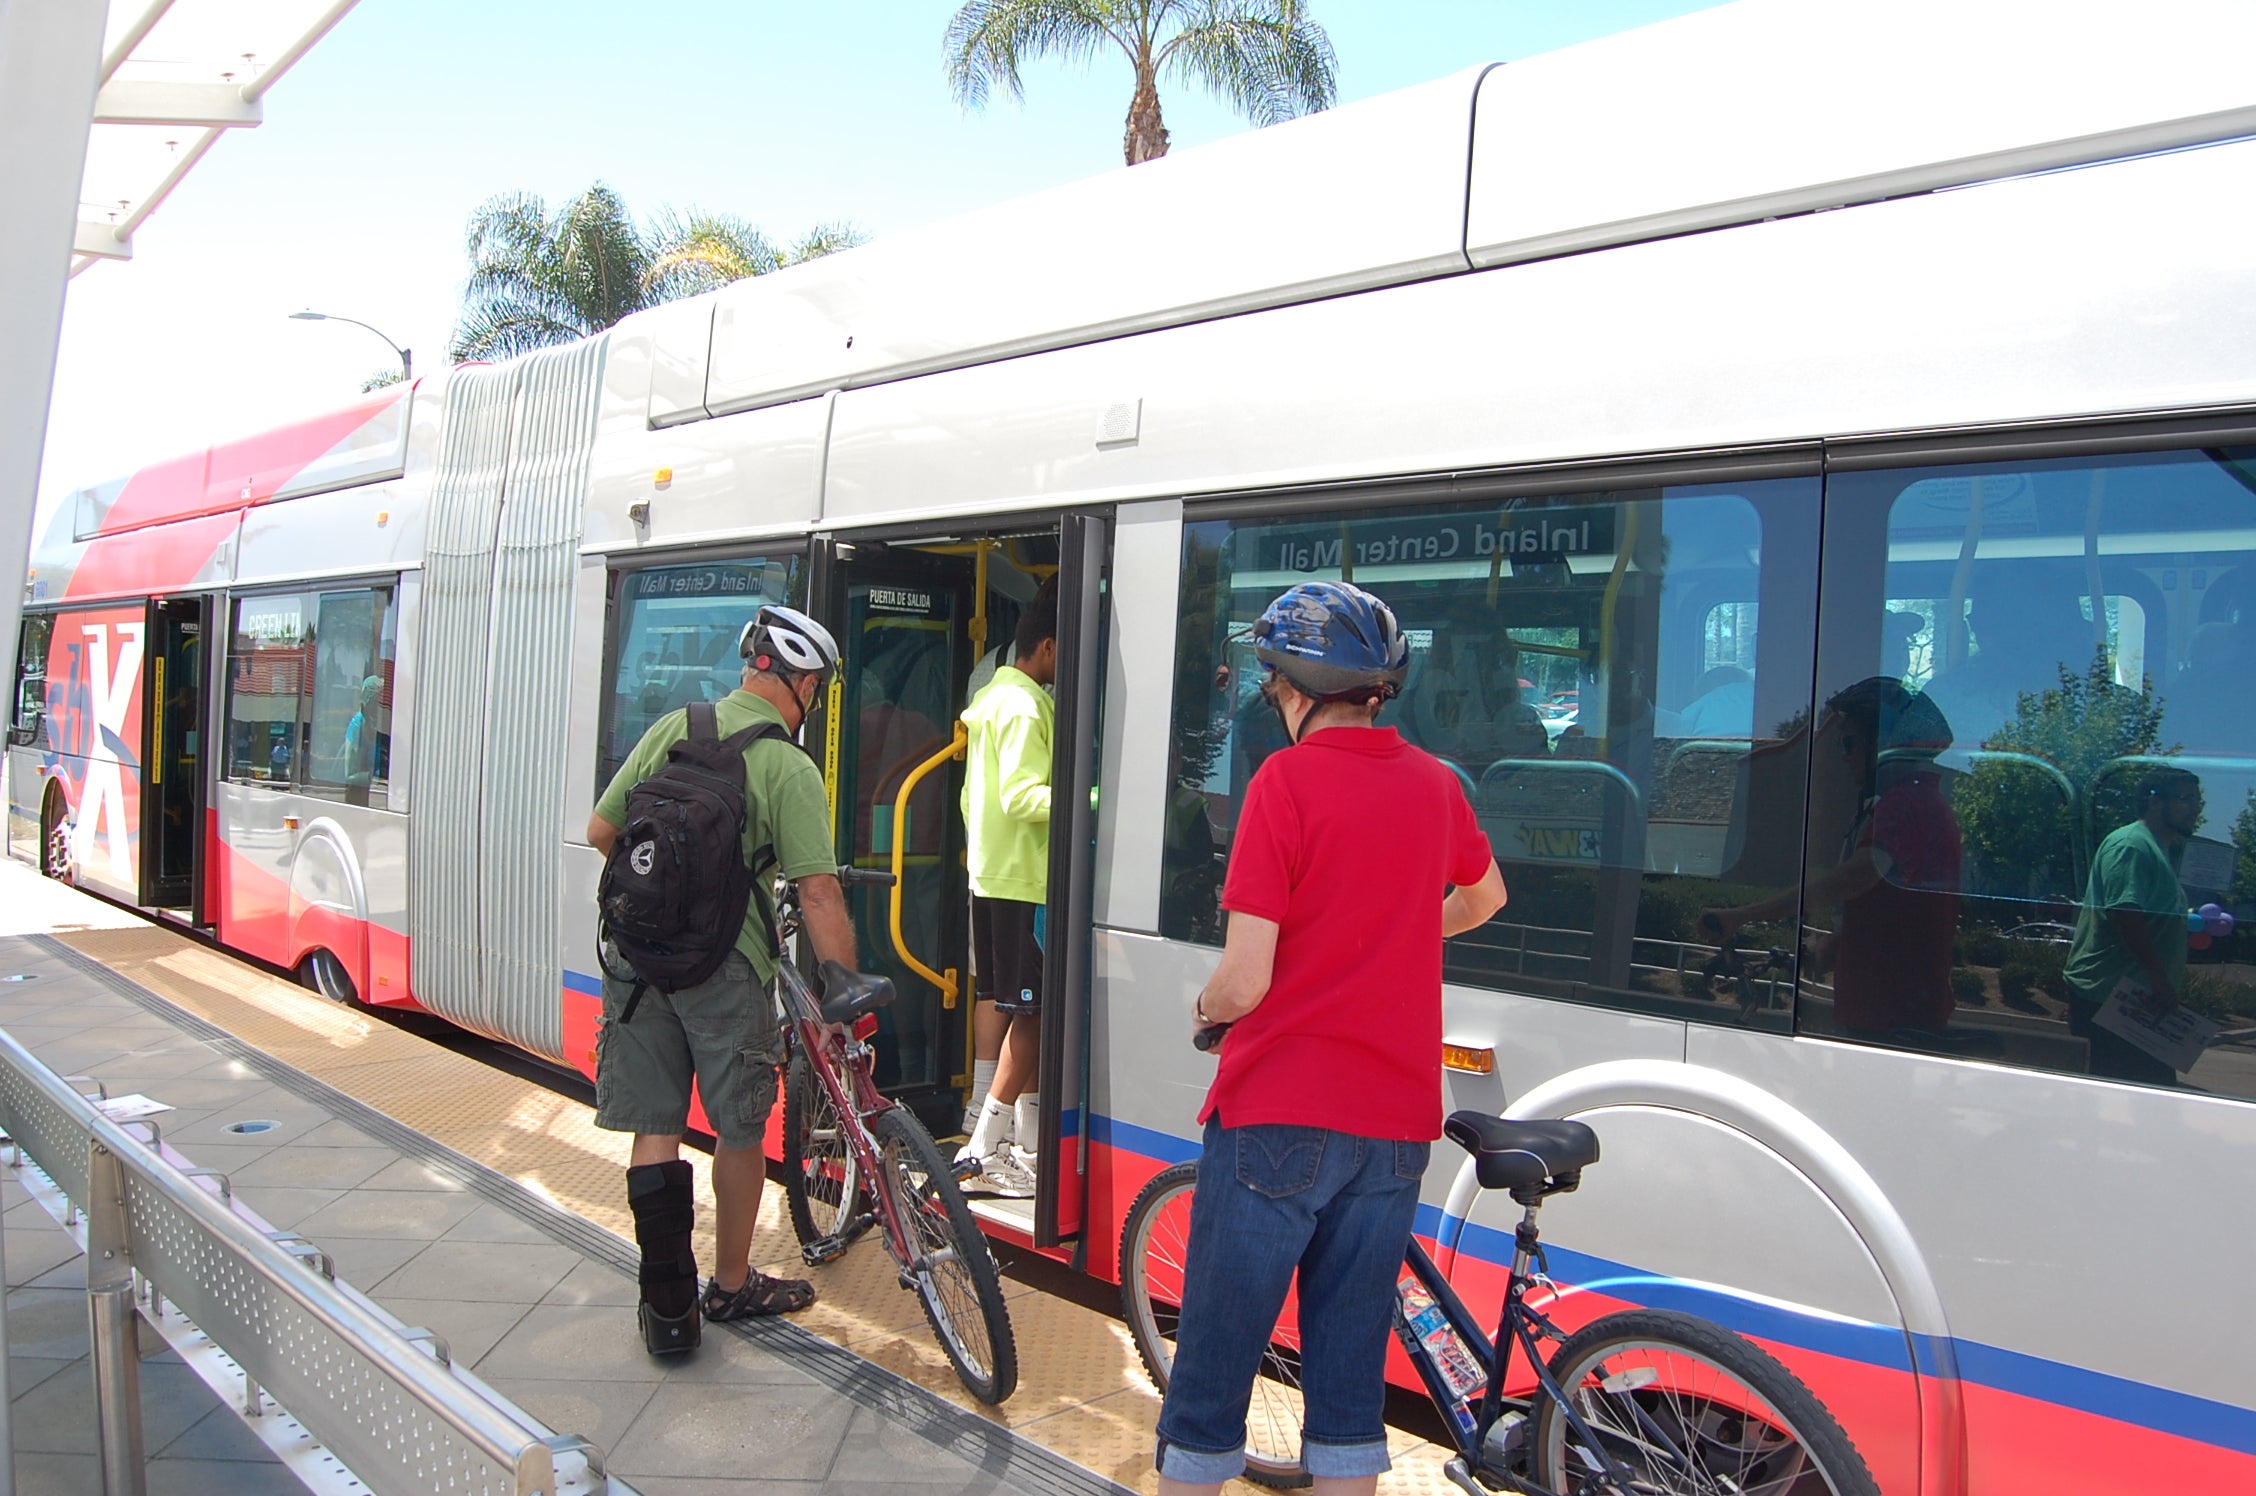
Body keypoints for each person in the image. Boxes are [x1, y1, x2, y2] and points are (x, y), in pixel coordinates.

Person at [1154, 581, 1506, 1496]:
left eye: (1273, 686)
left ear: (1299, 691)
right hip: (1394, 1127)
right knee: (1349, 1381)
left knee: (1215, 1368)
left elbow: (1245, 979)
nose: (1273, 702)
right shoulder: (1436, 785)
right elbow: (1486, 897)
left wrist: (1206, 1009)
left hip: (1280, 1114)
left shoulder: (1286, 782)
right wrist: (1398, 930)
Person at [587, 604, 861, 1348]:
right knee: (739, 1131)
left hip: (639, 963)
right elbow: (819, 892)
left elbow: (601, 832)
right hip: (727, 970)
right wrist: (846, 987)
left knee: (656, 1129)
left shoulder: (674, 727)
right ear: (803, 682)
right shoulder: (787, 766)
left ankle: (668, 1308)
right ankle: (733, 1285)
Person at [1703, 679, 1962, 1039]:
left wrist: (1741, 915)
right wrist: (1836, 945)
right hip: (1888, 1008)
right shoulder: (1913, 803)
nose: (1844, 755)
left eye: (1849, 743)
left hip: (1891, 1017)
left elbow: (1850, 879)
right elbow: (1891, 903)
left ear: (1882, 745)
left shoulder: (1906, 804)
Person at [955, 577, 1060, 1198]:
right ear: (1047, 647)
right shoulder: (1025, 706)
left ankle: (1024, 1146)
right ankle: (984, 1149)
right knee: (1035, 1017)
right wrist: (1090, 799)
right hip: (1026, 880)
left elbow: (977, 796)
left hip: (992, 875)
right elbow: (1024, 796)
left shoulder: (993, 699)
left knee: (1016, 1005)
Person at [2063, 766, 2202, 1086]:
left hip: (2139, 1005)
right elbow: (2125, 912)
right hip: (2112, 1003)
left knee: (2149, 1103)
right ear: (2154, 802)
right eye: (2186, 799)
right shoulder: (2131, 845)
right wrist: (2159, 978)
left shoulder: (2157, 849)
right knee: (2134, 1102)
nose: (2195, 808)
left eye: (2198, 800)